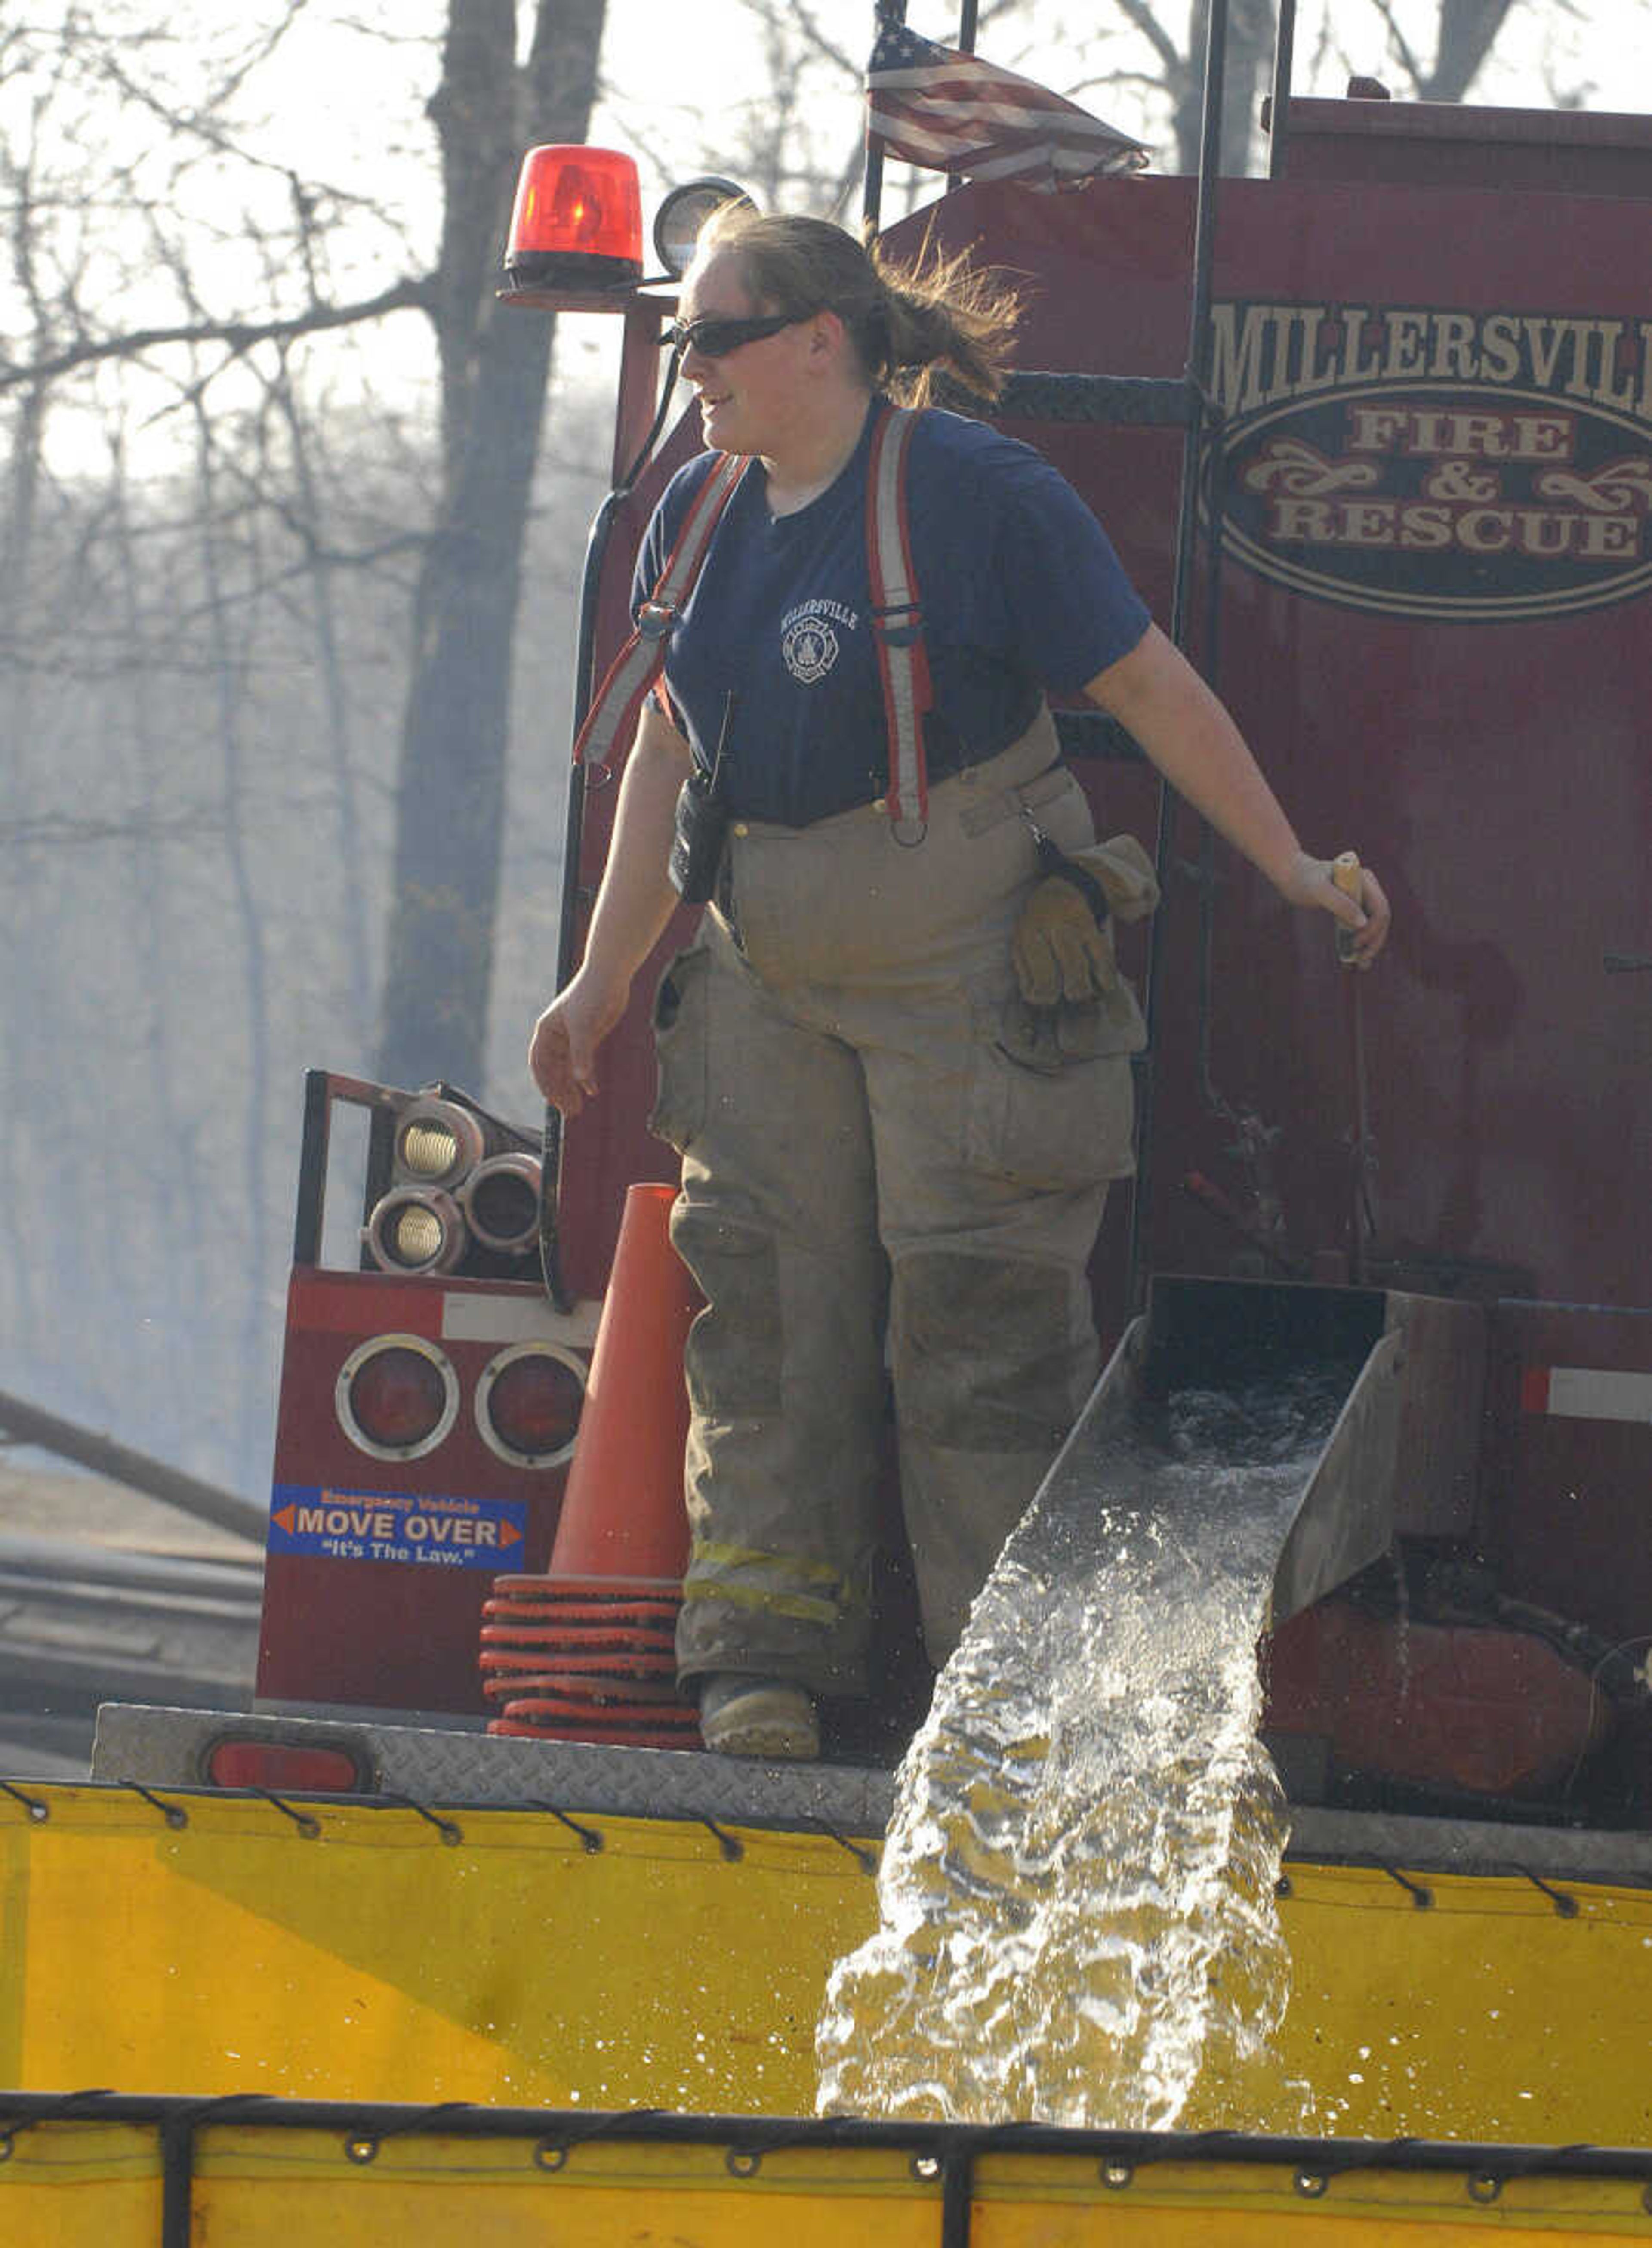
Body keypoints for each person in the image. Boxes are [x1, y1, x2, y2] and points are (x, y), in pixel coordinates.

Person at [528, 206, 1390, 1762]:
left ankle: (1004, 1706)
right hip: (766, 971)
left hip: (964, 971)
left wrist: (1289, 866)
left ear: (818, 342)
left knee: (982, 1324)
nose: (689, 366)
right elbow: (671, 746)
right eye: (682, 339)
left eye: (714, 337)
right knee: (771, 1323)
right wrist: (600, 983)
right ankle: (763, 1665)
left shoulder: (980, 496)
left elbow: (1149, 685)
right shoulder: (691, 516)